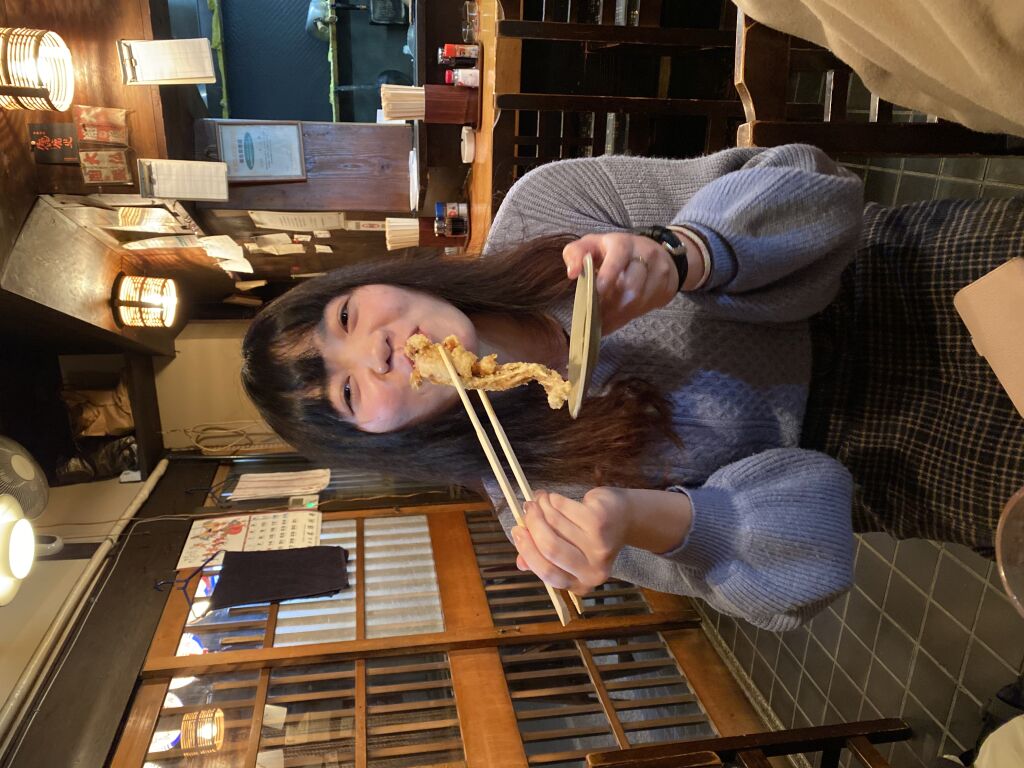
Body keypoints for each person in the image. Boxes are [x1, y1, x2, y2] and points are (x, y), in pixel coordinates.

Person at [241, 144, 1024, 630]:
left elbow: (820, 185)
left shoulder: (546, 212)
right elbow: (815, 549)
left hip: (906, 276)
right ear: (379, 440)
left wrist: (687, 253)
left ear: (374, 279)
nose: (375, 352)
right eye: (349, 394)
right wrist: (641, 519)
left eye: (347, 317)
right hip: (902, 460)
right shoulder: (539, 507)